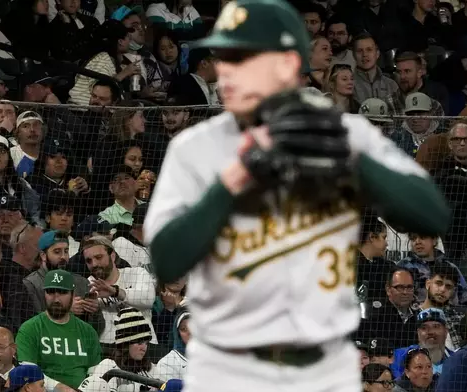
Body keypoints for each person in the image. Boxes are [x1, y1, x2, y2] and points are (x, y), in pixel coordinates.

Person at [142, 0, 450, 391]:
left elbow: (431, 214)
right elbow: (167, 257)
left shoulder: (341, 133)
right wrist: (233, 181)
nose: (227, 72)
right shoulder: (196, 147)